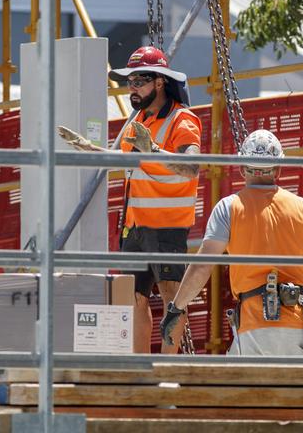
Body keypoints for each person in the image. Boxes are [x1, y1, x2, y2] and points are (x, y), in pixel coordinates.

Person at [58, 46, 202, 353]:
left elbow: (191, 167)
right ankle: (141, 368)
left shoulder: (182, 119)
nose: (131, 88)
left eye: (139, 81)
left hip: (167, 228)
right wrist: (90, 149)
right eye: (130, 81)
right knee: (134, 298)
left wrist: (153, 151)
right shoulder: (141, 120)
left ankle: (166, 372)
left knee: (172, 299)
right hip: (136, 226)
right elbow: (127, 161)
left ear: (160, 82)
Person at [161, 129, 303, 355]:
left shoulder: (229, 208)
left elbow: (202, 266)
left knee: (240, 388)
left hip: (254, 324)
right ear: (278, 170)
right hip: (298, 324)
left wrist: (176, 308)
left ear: (241, 169)